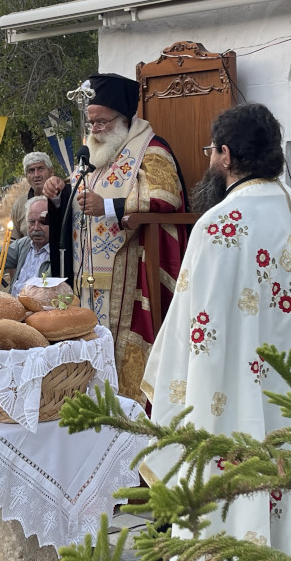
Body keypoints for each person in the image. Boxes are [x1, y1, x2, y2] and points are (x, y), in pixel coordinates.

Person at [142, 103, 291, 561]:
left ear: (227, 155)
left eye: (212, 151)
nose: (211, 160)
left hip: (234, 401)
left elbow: (194, 330)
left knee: (230, 509)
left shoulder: (219, 225)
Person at [44, 73, 187, 399]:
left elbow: (167, 197)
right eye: (91, 122)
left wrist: (108, 205)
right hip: (87, 275)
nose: (94, 129)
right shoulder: (92, 152)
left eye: (101, 122)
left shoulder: (150, 149)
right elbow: (78, 202)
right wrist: (57, 194)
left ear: (123, 118)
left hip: (129, 276)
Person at [10, 152, 54, 240]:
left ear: (51, 172)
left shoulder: (64, 199)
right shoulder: (20, 204)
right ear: (26, 176)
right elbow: (13, 242)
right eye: (31, 171)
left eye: (40, 169)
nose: (36, 175)